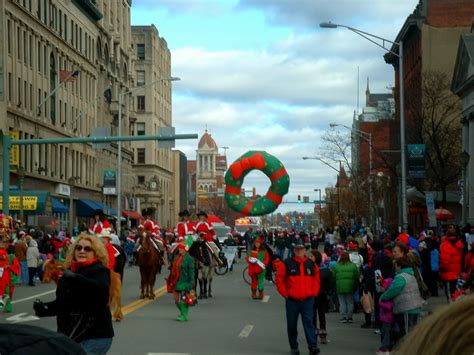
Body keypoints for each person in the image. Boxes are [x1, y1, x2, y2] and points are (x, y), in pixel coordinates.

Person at [33, 234, 114, 353]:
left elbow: (101, 291)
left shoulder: (99, 270)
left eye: (87, 249)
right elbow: (64, 303)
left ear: (96, 253)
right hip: (71, 335)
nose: (82, 251)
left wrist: (75, 278)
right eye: (78, 248)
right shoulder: (70, 271)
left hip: (95, 335)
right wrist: (45, 308)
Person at [275, 239, 320, 355]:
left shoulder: (311, 264)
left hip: (308, 299)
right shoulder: (287, 263)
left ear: (304, 250)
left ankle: (313, 346)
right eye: (297, 249)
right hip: (292, 300)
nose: (299, 251)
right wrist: (285, 293)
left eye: (301, 249)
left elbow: (316, 280)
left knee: (309, 323)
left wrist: (314, 292)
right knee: (292, 324)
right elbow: (279, 280)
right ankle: (294, 347)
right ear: (294, 250)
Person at [380, 256, 423, 345]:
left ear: (399, 266)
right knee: (411, 330)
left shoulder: (401, 277)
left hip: (406, 308)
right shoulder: (411, 275)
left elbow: (392, 290)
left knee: (406, 332)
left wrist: (383, 297)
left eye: (395, 265)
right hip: (414, 306)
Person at [166, 242, 195, 321]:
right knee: (176, 299)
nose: (179, 250)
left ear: (185, 250)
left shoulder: (189, 259)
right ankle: (182, 312)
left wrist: (192, 281)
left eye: (181, 248)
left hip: (185, 282)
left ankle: (184, 315)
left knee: (183, 299)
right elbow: (173, 269)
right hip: (177, 281)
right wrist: (169, 277)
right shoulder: (177, 257)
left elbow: (192, 271)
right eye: (179, 248)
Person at [311, 250, 332, 345]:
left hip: (318, 295)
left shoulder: (312, 269)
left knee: (318, 315)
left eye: (312, 256)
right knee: (317, 316)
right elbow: (331, 284)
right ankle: (318, 335)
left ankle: (318, 334)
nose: (310, 258)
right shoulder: (326, 270)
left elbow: (331, 284)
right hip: (316, 295)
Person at [332, 251, 359, 323]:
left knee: (342, 302)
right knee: (350, 302)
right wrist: (356, 285)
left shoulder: (336, 266)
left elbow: (333, 276)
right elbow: (356, 277)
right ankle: (349, 317)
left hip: (340, 286)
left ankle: (343, 317)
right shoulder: (353, 266)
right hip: (350, 286)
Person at [439, 224, 464, 302]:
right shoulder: (459, 244)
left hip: (448, 274)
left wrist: (440, 271)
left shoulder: (445, 244)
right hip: (457, 273)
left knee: (450, 297)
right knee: (455, 296)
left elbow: (444, 261)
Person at [246, 235, 269, 300]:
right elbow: (247, 257)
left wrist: (264, 264)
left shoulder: (264, 251)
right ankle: (253, 294)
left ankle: (260, 294)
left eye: (258, 243)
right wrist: (250, 260)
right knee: (254, 281)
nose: (257, 244)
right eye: (256, 243)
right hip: (253, 269)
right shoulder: (251, 251)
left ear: (260, 244)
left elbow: (267, 259)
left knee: (260, 281)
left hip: (261, 269)